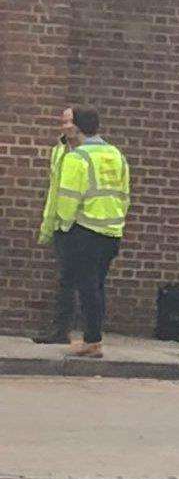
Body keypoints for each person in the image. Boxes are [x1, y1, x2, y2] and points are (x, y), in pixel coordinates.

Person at [53, 109, 130, 358]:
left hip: (85, 230)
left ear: (77, 127)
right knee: (97, 285)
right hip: (112, 231)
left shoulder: (78, 157)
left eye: (68, 122)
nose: (64, 127)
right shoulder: (115, 154)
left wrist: (63, 225)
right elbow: (125, 194)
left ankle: (92, 341)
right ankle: (94, 337)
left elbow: (68, 198)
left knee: (87, 287)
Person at [32, 108, 84, 344]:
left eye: (68, 122)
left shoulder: (88, 153)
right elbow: (55, 191)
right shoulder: (59, 151)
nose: (64, 126)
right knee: (66, 280)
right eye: (62, 122)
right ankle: (60, 329)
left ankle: (78, 331)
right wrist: (49, 224)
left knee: (80, 281)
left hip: (83, 225)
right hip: (63, 224)